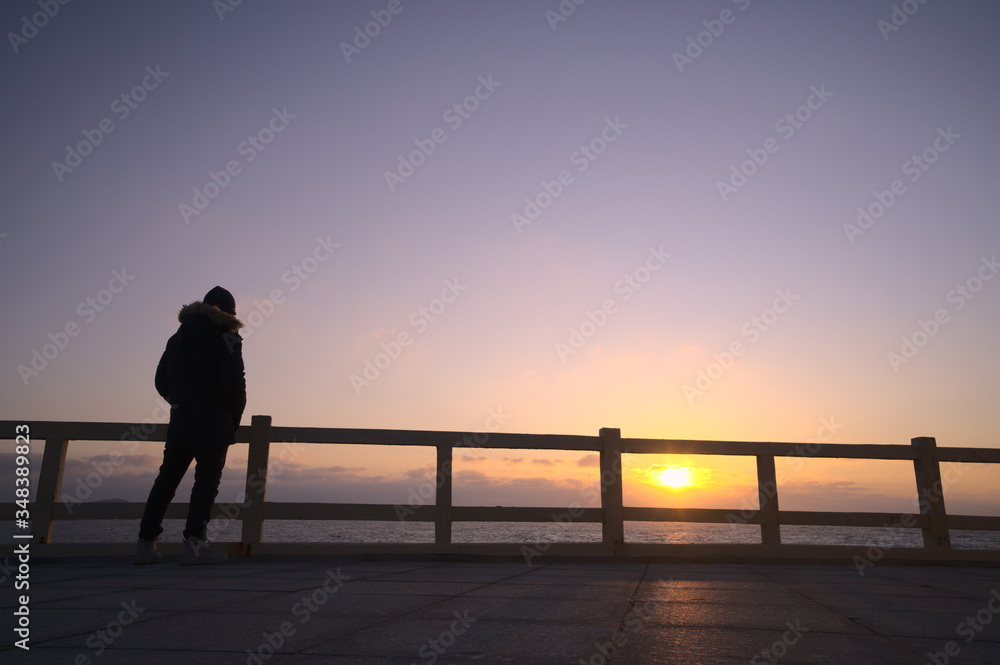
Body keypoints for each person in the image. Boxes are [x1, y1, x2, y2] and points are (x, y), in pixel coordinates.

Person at [134, 286, 246, 565]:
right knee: (206, 484)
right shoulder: (229, 338)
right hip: (215, 422)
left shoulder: (177, 338)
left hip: (182, 421)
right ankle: (193, 546)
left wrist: (179, 402)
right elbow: (234, 384)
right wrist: (233, 418)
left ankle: (145, 545)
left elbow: (161, 381)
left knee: (166, 482)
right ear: (229, 312)